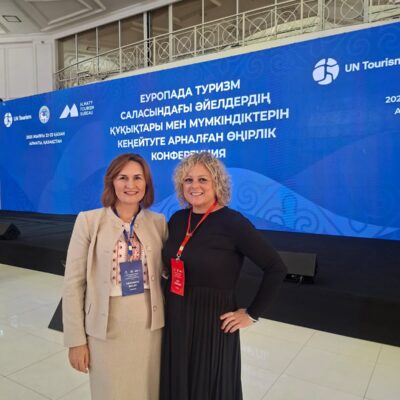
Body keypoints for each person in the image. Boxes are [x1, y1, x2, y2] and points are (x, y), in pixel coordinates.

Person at [160, 152, 287, 400]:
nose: (194, 186)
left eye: (203, 180)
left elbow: (275, 267)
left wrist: (252, 314)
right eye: (188, 180)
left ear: (217, 183)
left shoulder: (233, 223)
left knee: (208, 386)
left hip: (212, 322)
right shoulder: (177, 219)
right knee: (178, 381)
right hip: (176, 314)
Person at [63, 153, 167, 400]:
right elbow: (73, 284)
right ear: (111, 181)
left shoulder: (159, 222)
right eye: (123, 178)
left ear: (146, 183)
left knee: (148, 391)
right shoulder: (89, 221)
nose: (131, 185)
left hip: (149, 328)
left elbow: (166, 272)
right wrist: (76, 340)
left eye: (137, 177)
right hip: (105, 328)